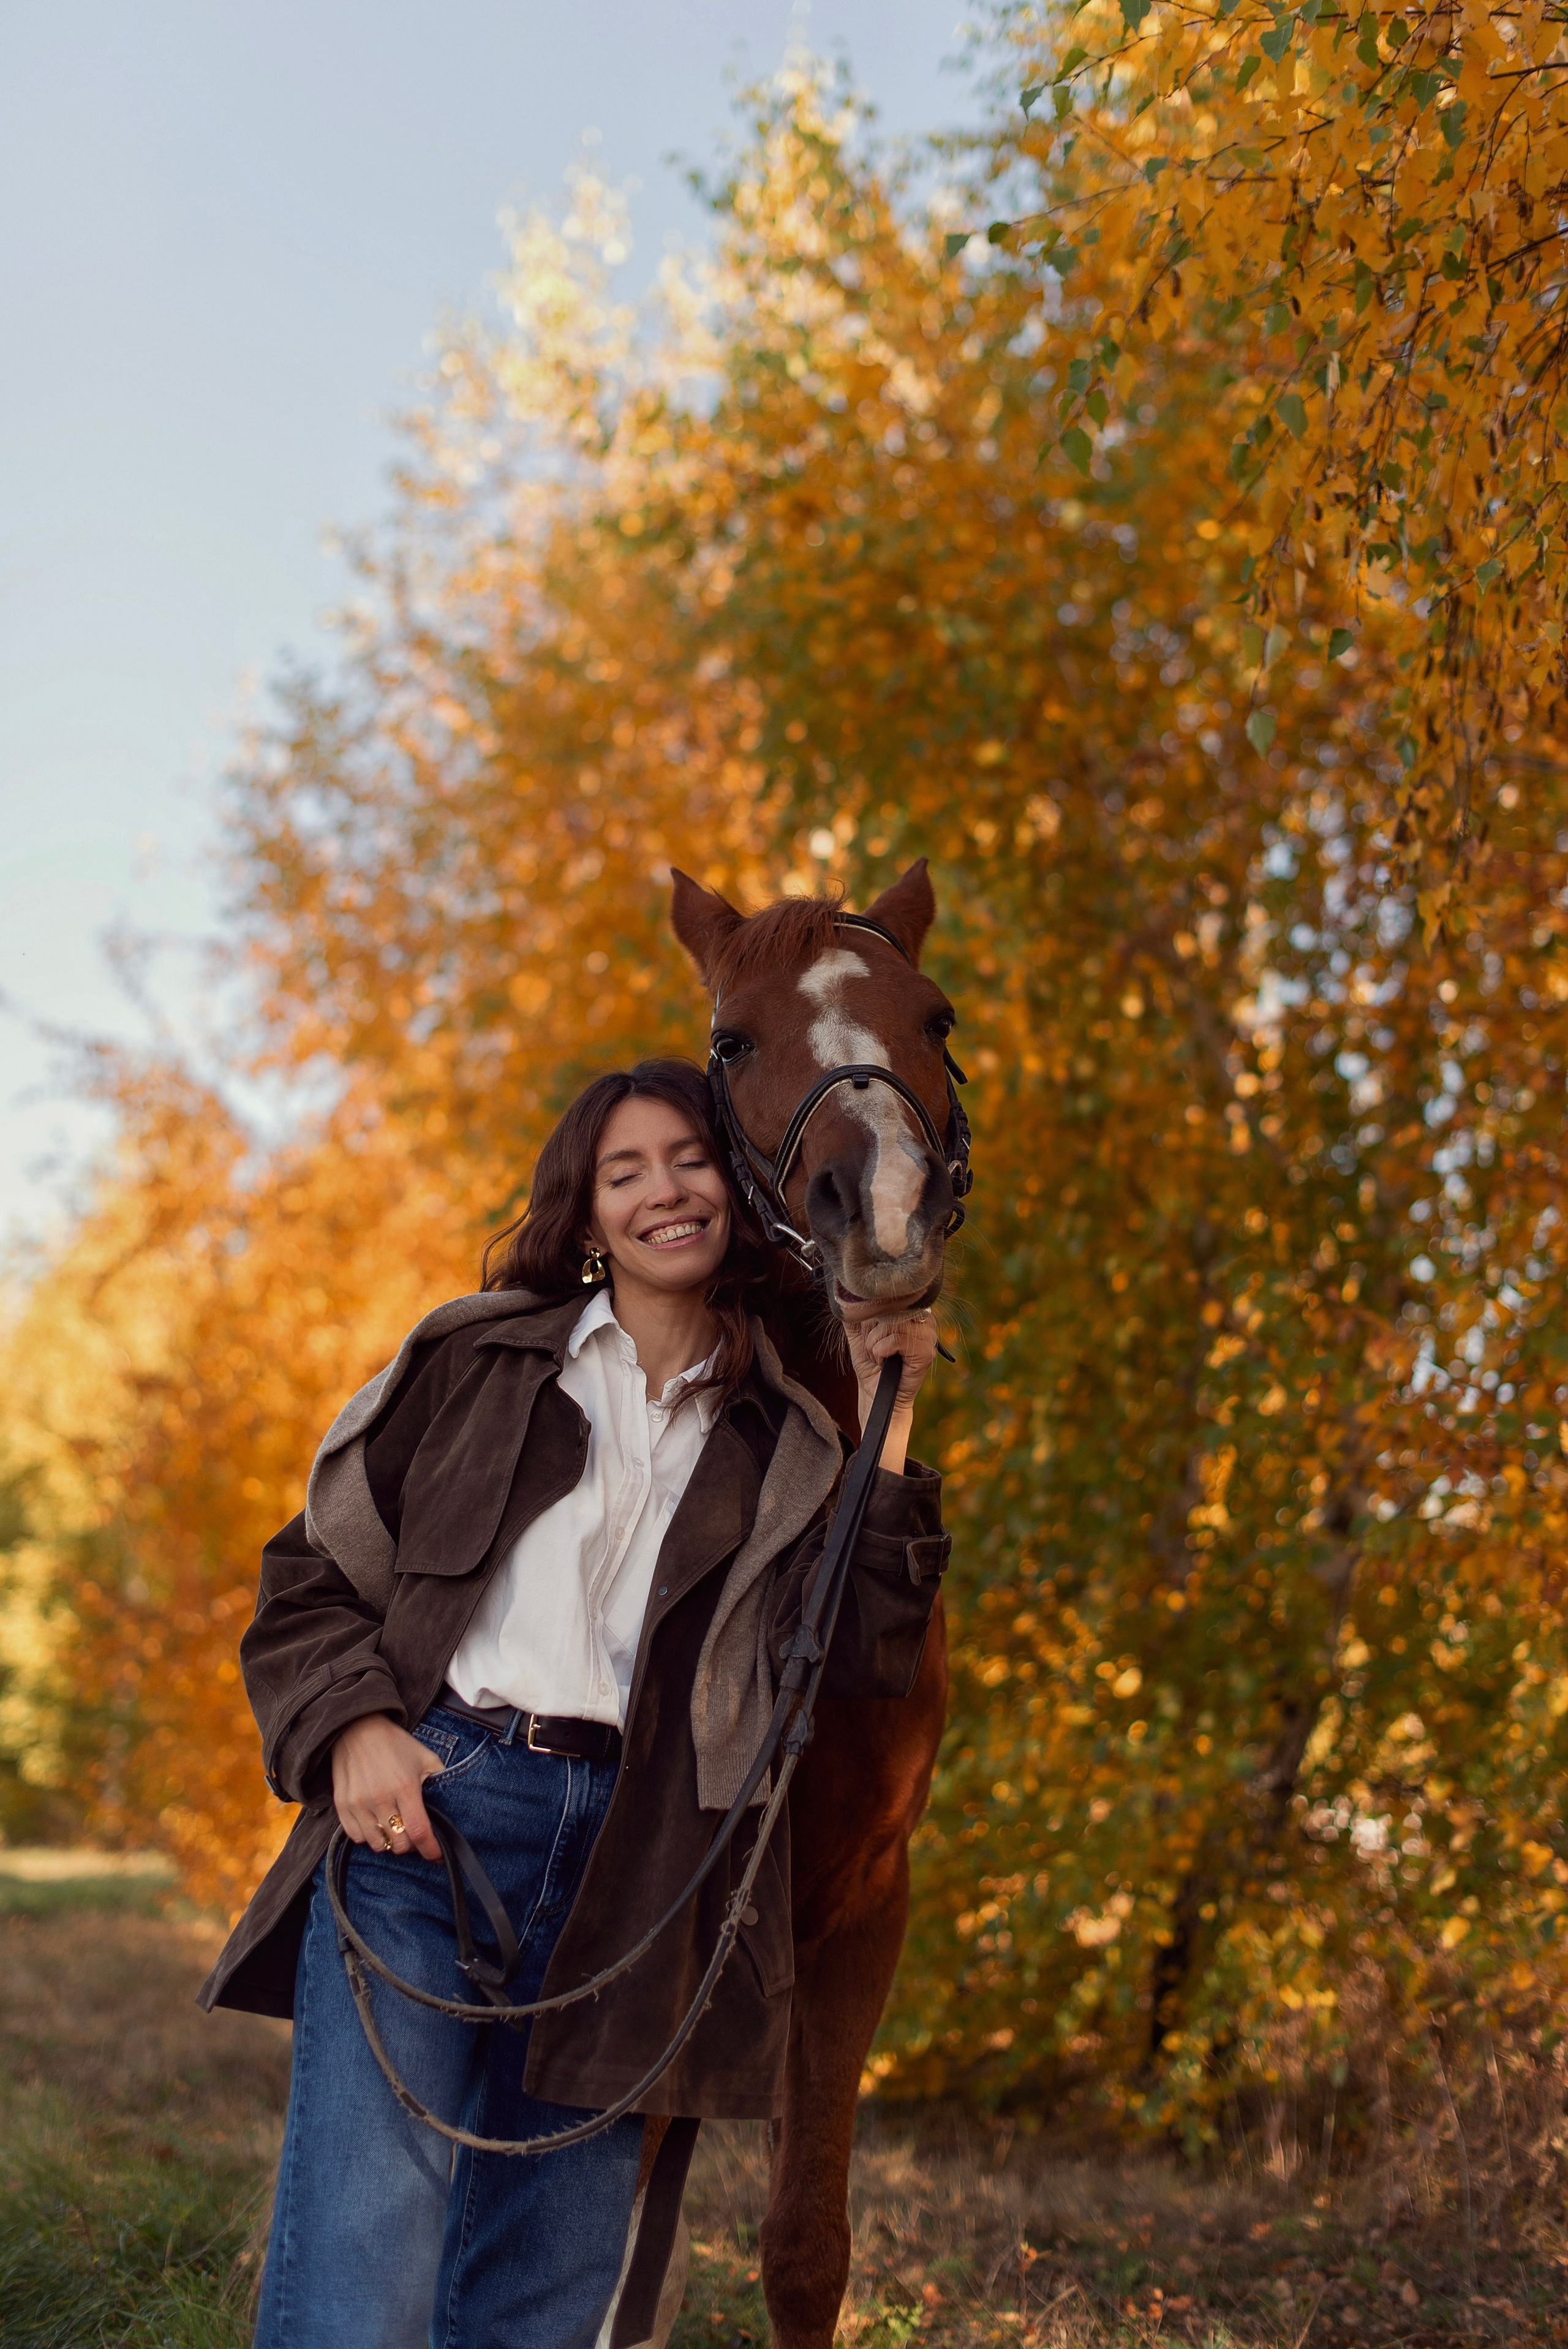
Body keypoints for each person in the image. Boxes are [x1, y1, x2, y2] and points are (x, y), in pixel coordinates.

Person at [200, 1058, 949, 2349]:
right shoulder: (475, 1358)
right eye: (625, 1171)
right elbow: (312, 1574)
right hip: (430, 1826)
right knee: (362, 2276)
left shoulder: (784, 1438)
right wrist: (355, 1732)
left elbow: (863, 1649)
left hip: (635, 1868)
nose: (665, 1191)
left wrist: (896, 1417)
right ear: (587, 1208)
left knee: (544, 2300)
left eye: (690, 1160)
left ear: (738, 1190)